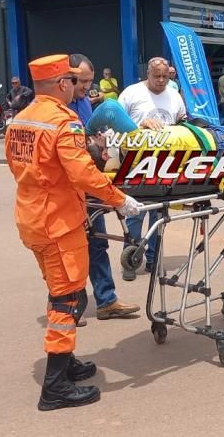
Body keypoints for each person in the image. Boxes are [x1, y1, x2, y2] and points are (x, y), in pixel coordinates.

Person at [5, 54, 141, 411]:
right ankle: (55, 387)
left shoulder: (21, 119)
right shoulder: (63, 121)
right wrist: (119, 199)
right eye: (73, 81)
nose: (76, 86)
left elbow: (19, 168)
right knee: (67, 299)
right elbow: (81, 172)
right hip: (58, 223)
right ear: (62, 83)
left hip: (32, 219)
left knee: (62, 290)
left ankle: (67, 363)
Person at [68, 53, 141, 320]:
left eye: (90, 81)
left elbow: (88, 136)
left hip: (91, 182)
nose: (87, 87)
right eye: (82, 81)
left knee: (98, 243)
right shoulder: (57, 108)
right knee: (72, 249)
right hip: (68, 190)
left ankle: (107, 301)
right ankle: (69, 307)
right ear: (67, 79)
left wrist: (100, 142)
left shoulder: (84, 102)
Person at [117, 56, 187, 281]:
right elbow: (115, 123)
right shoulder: (131, 93)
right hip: (136, 165)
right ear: (147, 73)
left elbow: (182, 122)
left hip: (165, 165)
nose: (161, 80)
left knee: (159, 215)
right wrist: (140, 125)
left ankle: (154, 259)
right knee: (135, 214)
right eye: (157, 76)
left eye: (165, 76)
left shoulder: (174, 95)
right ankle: (131, 260)